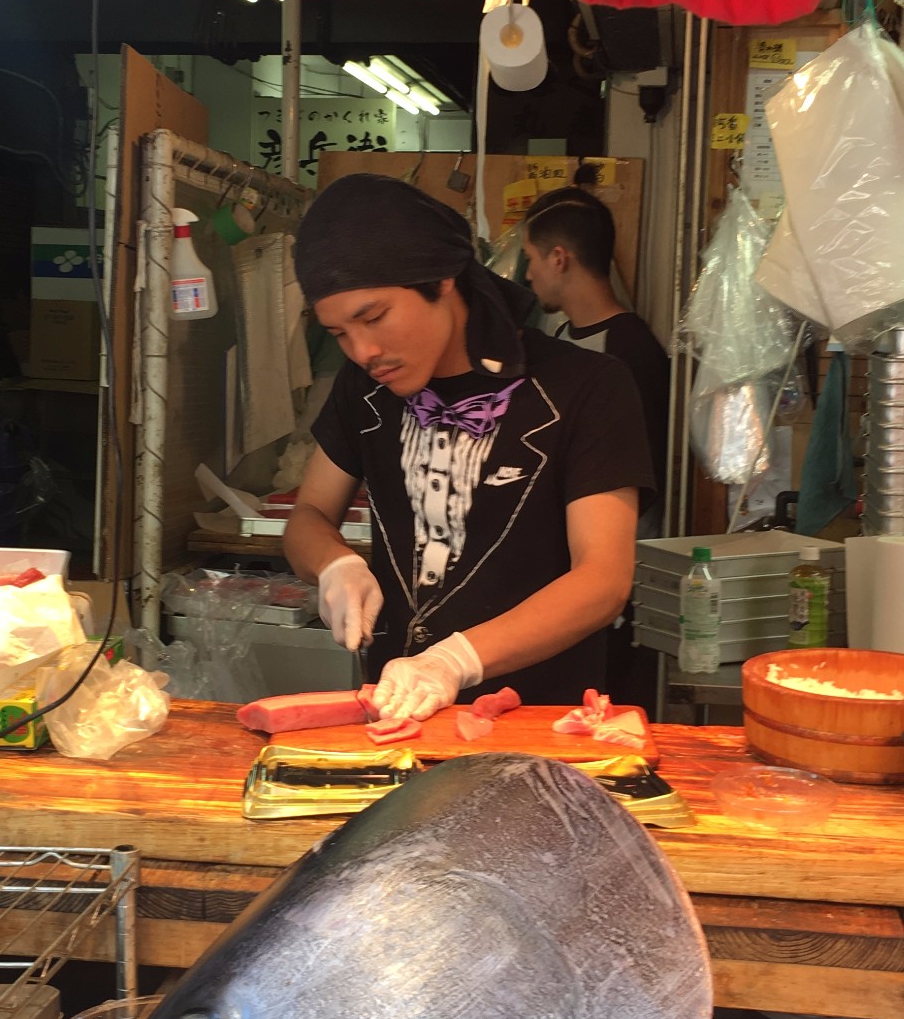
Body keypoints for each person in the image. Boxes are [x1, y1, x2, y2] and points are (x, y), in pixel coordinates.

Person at [285, 176, 654, 722]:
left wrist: (454, 660)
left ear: (443, 279)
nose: (364, 351)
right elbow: (309, 514)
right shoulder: (365, 391)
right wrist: (334, 564)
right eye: (339, 333)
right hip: (399, 718)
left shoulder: (586, 387)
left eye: (373, 317)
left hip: (539, 724)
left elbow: (602, 580)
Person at [521, 185, 672, 529]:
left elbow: (641, 472)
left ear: (558, 259)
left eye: (530, 258)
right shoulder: (558, 337)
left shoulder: (630, 350)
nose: (528, 274)